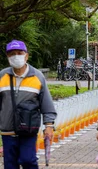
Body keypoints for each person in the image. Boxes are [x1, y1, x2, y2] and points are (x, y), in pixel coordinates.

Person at [0, 40, 57, 169]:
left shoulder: (37, 76)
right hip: (7, 132)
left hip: (28, 130)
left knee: (28, 160)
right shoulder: (2, 76)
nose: (16, 56)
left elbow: (46, 103)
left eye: (19, 52)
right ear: (7, 57)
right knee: (10, 165)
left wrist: (49, 125)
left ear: (26, 55)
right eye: (12, 54)